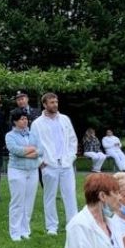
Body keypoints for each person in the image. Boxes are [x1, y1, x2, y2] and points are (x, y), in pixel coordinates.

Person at [32, 92, 78, 235]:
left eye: (56, 102)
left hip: (66, 163)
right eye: (51, 102)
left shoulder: (64, 119)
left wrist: (71, 157)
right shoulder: (37, 123)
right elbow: (33, 144)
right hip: (49, 165)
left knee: (70, 194)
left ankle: (73, 224)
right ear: (44, 104)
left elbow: (72, 139)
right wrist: (40, 162)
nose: (55, 105)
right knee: (49, 196)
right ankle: (52, 226)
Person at [5, 108, 42, 241]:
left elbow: (41, 150)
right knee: (17, 201)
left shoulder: (32, 134)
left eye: (26, 118)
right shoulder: (10, 136)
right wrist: (32, 150)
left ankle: (25, 230)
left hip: (32, 171)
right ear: (15, 121)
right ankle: (15, 232)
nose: (25, 121)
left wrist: (30, 152)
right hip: (17, 171)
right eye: (21, 119)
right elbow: (16, 151)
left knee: (29, 201)